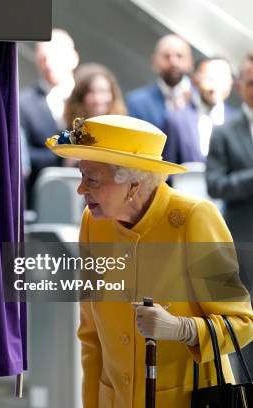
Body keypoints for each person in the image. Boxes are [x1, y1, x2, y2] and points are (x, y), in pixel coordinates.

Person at [45, 115, 253, 407]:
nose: (81, 189)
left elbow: (241, 323)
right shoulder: (94, 223)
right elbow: (91, 336)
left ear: (132, 183)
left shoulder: (194, 219)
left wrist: (183, 329)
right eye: (82, 175)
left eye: (92, 179)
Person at [20, 29, 79, 191]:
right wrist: (61, 156)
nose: (48, 64)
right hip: (42, 195)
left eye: (55, 56)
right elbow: (21, 154)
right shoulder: (23, 104)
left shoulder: (91, 97)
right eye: (42, 58)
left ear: (74, 58)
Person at [207, 53, 253, 243]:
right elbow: (215, 186)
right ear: (239, 86)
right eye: (252, 83)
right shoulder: (223, 133)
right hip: (244, 237)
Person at [164, 57, 235, 164]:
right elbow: (167, 169)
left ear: (230, 82)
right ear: (195, 80)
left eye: (222, 79)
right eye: (209, 79)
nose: (215, 87)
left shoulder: (238, 122)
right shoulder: (177, 120)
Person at [126, 34, 194, 131]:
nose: (173, 62)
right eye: (166, 56)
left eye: (179, 56)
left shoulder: (201, 99)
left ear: (190, 61)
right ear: (154, 62)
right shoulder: (137, 103)